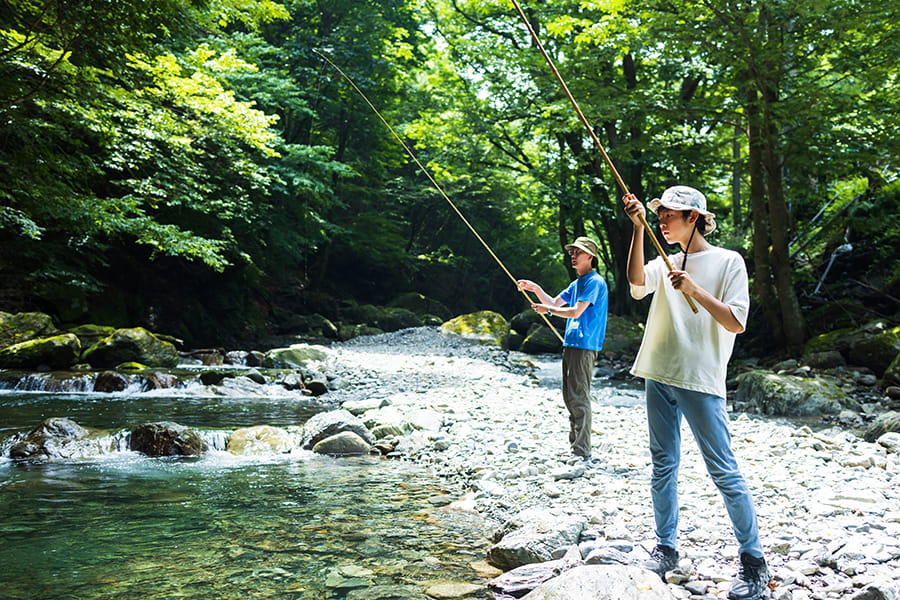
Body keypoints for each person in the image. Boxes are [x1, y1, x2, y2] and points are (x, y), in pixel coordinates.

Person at [622, 186, 769, 600]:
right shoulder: (663, 258)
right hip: (658, 371)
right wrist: (638, 228)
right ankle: (666, 548)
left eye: (668, 215)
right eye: (659, 215)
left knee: (723, 469)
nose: (662, 221)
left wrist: (694, 290)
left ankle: (753, 560)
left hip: (700, 378)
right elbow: (636, 282)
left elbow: (736, 322)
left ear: (693, 217)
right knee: (662, 464)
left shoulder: (728, 261)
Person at [517, 236, 608, 463]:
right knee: (570, 396)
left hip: (585, 345)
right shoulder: (576, 284)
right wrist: (536, 289)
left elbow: (575, 312)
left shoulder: (595, 282)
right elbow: (555, 303)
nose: (574, 256)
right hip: (571, 344)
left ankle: (582, 450)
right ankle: (575, 446)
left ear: (591, 257)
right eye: (572, 253)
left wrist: (546, 310)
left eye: (578, 252)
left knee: (579, 396)